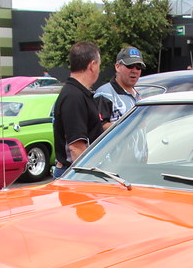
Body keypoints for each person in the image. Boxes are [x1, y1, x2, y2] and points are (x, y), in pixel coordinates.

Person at [52, 41, 104, 178]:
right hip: (74, 173)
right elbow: (76, 147)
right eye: (99, 65)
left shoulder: (78, 93)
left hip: (75, 171)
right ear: (92, 65)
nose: (99, 69)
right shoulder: (74, 97)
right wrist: (88, 177)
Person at [94, 46, 143, 131]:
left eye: (138, 67)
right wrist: (131, 125)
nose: (134, 70)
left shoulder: (138, 95)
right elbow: (98, 126)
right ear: (117, 67)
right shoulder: (105, 94)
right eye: (130, 66)